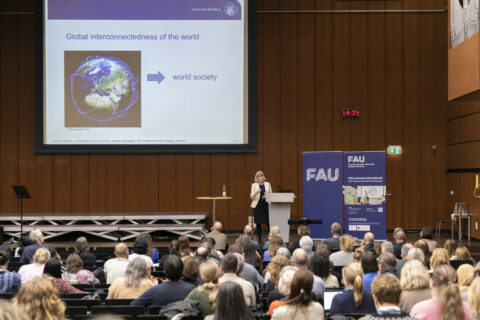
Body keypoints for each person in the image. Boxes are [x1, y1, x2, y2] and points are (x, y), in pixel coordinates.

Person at [130, 255, 196, 307]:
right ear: (182, 270)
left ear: (164, 271)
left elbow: (134, 306)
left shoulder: (154, 291)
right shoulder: (193, 290)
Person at [250, 171, 272, 242]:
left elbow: (271, 195)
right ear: (257, 178)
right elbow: (251, 197)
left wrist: (269, 193)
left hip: (266, 205)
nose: (261, 177)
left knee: (268, 222)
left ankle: (270, 238)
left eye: (262, 176)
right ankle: (259, 239)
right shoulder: (254, 185)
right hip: (257, 205)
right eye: (259, 176)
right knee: (258, 223)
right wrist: (256, 192)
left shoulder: (268, 184)